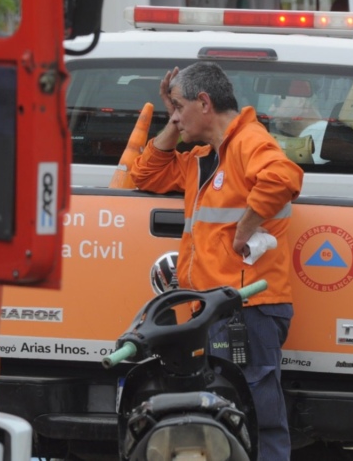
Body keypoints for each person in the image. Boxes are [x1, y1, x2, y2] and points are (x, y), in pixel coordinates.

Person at [130, 62, 304, 461]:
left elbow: (284, 176)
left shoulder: (247, 142)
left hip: (246, 309)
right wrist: (174, 123)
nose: (172, 116)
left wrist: (244, 229)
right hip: (216, 309)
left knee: (257, 417)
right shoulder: (206, 157)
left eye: (178, 107)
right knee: (227, 420)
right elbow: (145, 175)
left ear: (204, 103)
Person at [269, 94, 329, 164]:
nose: (270, 109)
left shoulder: (321, 133)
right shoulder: (317, 132)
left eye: (277, 102)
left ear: (300, 102)